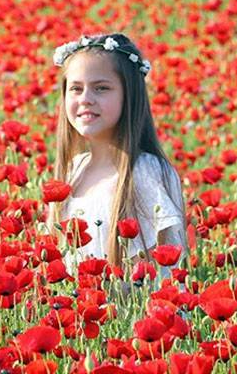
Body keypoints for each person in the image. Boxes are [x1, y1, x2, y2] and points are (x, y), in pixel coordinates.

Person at [44, 33, 187, 282]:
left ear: (129, 96)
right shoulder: (72, 172)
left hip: (129, 319)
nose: (86, 99)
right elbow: (51, 273)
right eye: (76, 88)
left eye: (101, 88)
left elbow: (143, 283)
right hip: (80, 313)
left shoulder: (143, 172)